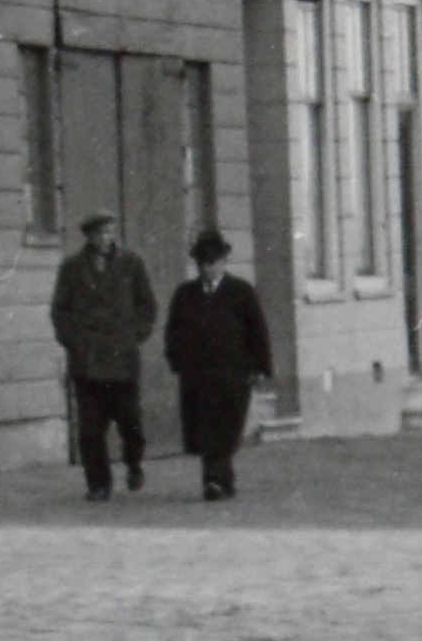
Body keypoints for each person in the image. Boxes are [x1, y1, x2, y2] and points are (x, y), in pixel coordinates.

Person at [50, 212, 159, 500]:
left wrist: (133, 335)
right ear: (89, 236)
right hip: (88, 360)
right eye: (100, 233)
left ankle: (134, 463)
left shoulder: (131, 264)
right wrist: (74, 341)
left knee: (130, 423)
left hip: (122, 358)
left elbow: (147, 306)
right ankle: (98, 484)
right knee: (90, 429)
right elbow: (59, 311)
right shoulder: (72, 267)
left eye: (110, 232)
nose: (105, 238)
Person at [162, 230, 272, 501]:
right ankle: (215, 480)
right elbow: (173, 332)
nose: (206, 269)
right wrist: (178, 362)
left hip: (234, 373)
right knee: (206, 428)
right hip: (197, 375)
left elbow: (257, 331)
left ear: (223, 262)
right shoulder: (185, 294)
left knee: (229, 426)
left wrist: (260, 368)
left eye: (212, 263)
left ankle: (220, 479)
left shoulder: (241, 292)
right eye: (201, 264)